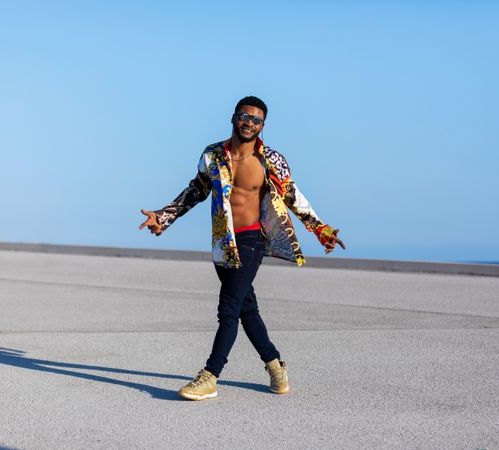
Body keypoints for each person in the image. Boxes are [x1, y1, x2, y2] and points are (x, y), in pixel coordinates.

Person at [139, 96, 345, 401]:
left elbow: (292, 195)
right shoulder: (212, 155)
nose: (249, 123)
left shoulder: (271, 160)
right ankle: (275, 365)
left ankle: (210, 376)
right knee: (247, 309)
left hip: (252, 240)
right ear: (234, 118)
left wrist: (320, 228)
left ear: (263, 126)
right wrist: (164, 216)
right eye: (244, 116)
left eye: (256, 120)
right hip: (223, 241)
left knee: (228, 309)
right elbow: (195, 190)